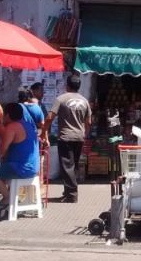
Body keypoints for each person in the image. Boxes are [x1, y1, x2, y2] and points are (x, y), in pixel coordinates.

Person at [42, 75, 91, 203]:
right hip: (79, 137)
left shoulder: (61, 99)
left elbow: (49, 117)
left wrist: (44, 131)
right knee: (73, 166)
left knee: (66, 166)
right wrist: (84, 134)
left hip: (65, 137)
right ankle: (68, 192)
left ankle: (72, 195)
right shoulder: (85, 101)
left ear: (67, 85)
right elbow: (89, 122)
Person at [0, 103, 39, 213]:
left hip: (21, 168)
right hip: (33, 167)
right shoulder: (29, 125)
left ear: (7, 115)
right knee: (2, 170)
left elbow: (2, 150)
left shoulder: (12, 127)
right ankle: (10, 200)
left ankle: (7, 198)